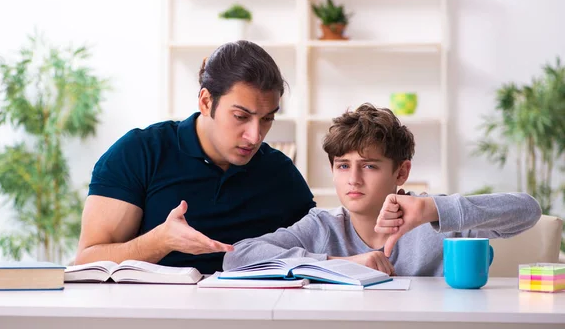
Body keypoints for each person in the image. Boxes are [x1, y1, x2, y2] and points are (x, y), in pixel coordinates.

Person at [74, 40, 315, 274]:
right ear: (206, 101)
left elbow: (323, 246)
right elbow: (86, 261)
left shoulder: (280, 172)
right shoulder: (140, 152)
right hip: (153, 313)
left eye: (267, 119)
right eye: (241, 117)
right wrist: (160, 241)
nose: (255, 136)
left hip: (253, 313)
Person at [223, 103, 542, 276]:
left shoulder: (435, 219)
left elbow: (527, 212)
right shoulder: (322, 226)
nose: (353, 179)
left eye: (370, 165)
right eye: (343, 165)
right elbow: (237, 257)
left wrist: (432, 210)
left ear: (401, 172)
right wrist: (337, 263)